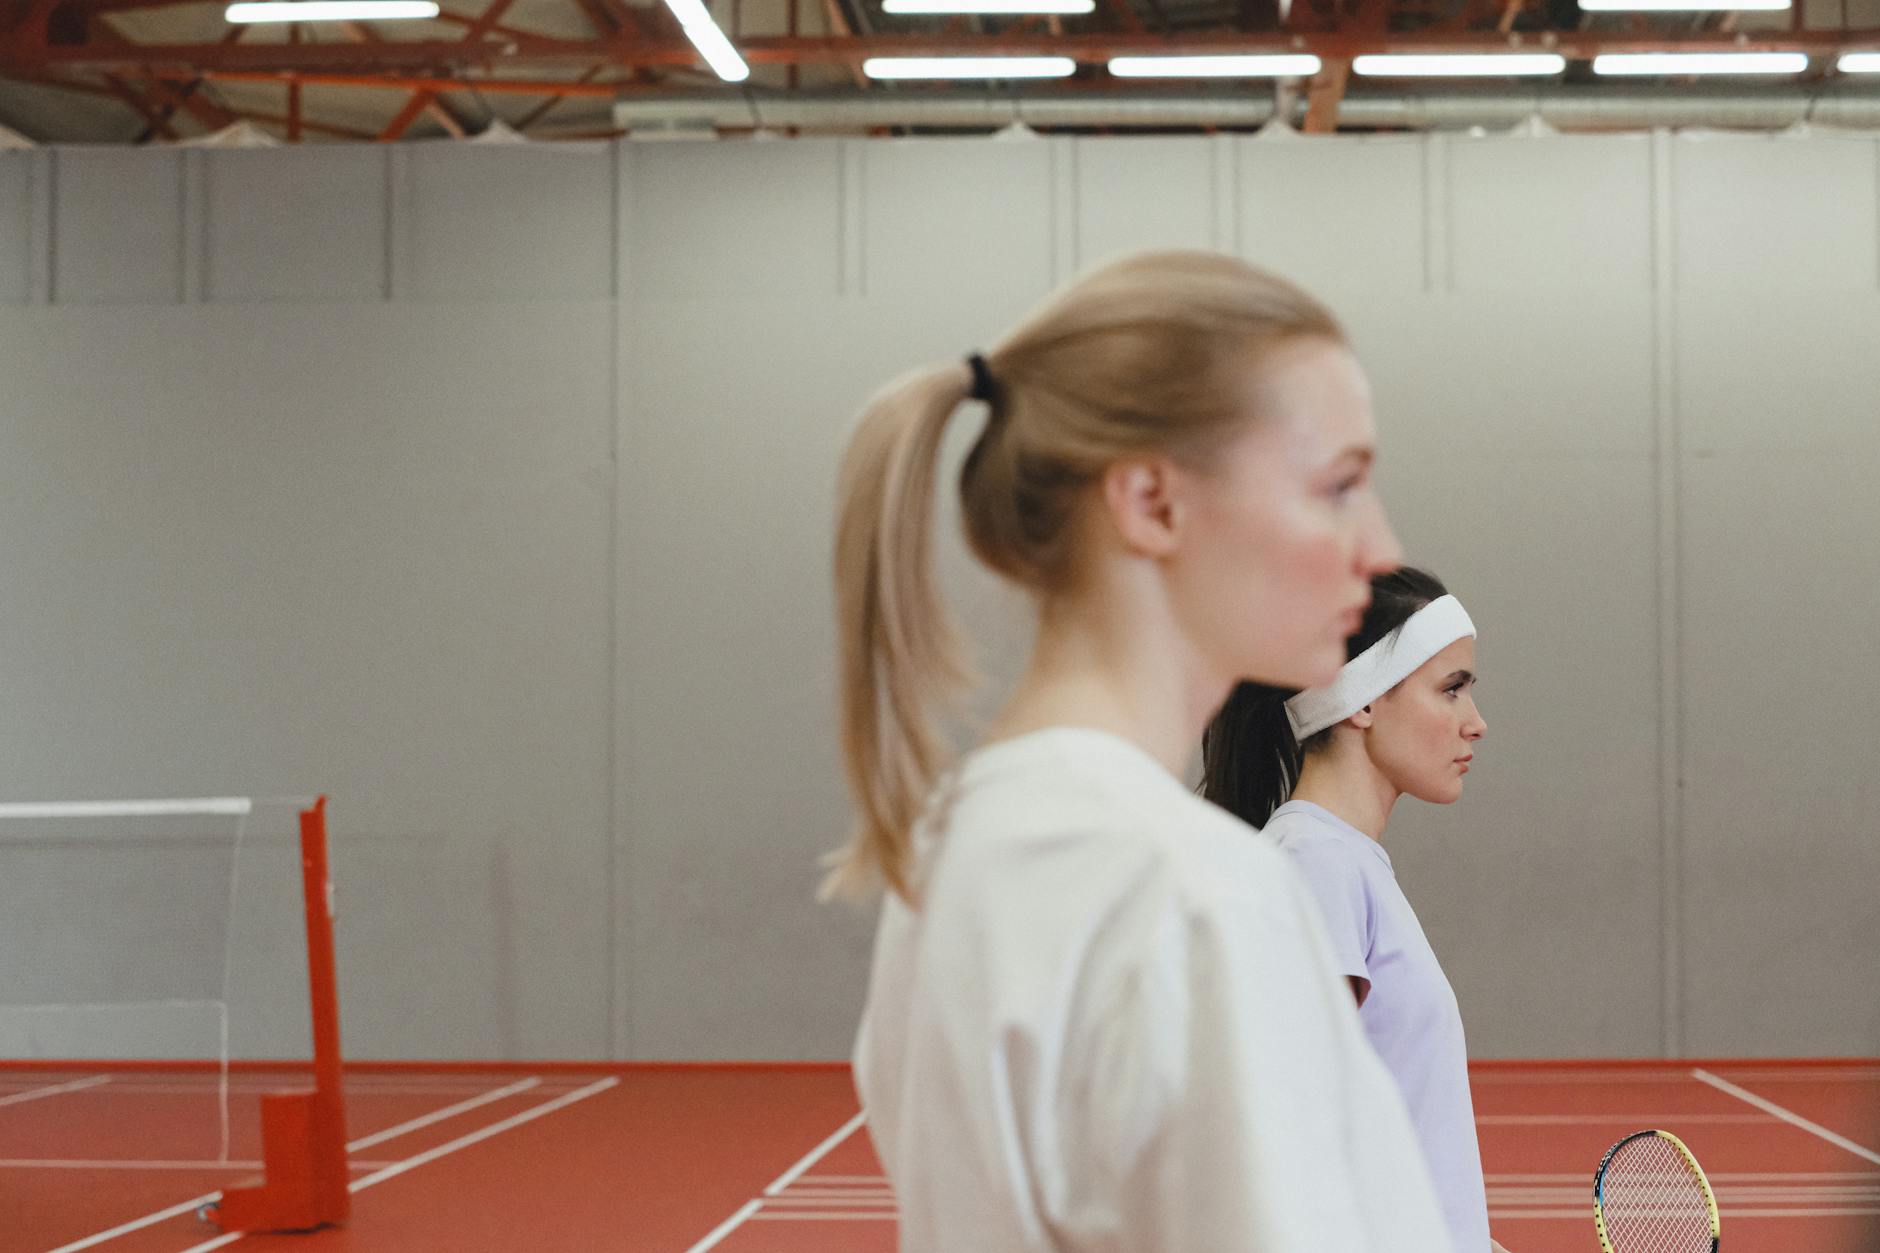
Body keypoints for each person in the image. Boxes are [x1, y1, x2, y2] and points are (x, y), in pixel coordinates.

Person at [830, 250, 1451, 1250]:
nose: (1377, 545)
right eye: (1336, 485)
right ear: (1152, 502)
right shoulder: (1194, 893)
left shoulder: (953, 848)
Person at [1201, 566, 1510, 1253]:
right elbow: (1295, 1141)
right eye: (1451, 688)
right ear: (1363, 700)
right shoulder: (1317, 863)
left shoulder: (1343, 862)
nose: (1476, 722)